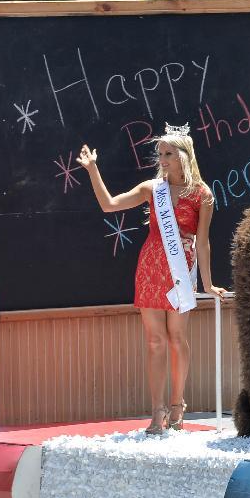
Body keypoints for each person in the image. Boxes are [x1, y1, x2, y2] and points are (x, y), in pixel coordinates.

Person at [77, 124, 226, 435]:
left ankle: (177, 404)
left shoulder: (202, 194)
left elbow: (203, 240)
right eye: (160, 154)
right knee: (155, 341)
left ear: (185, 156)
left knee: (176, 339)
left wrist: (208, 283)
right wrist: (92, 170)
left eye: (169, 153)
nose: (163, 159)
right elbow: (109, 205)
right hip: (150, 268)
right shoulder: (151, 189)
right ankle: (157, 410)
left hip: (181, 271)